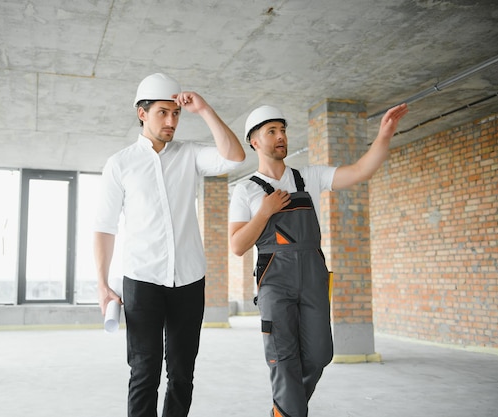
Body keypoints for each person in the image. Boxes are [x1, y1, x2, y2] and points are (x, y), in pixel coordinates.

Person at [228, 103, 408, 417]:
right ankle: (289, 411)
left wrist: (383, 136)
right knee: (283, 359)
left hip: (312, 278)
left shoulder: (307, 177)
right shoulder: (245, 191)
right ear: (254, 141)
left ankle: (283, 409)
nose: (281, 136)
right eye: (272, 131)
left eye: (282, 130)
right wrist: (265, 211)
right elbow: (237, 245)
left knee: (320, 354)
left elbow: (360, 171)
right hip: (275, 282)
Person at [93, 72, 245, 417]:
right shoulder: (120, 164)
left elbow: (235, 158)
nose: (171, 120)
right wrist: (103, 284)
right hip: (142, 279)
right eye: (163, 112)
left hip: (189, 280)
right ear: (141, 113)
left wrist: (204, 109)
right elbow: (103, 227)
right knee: (144, 372)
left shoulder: (190, 154)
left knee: (182, 373)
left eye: (175, 113)